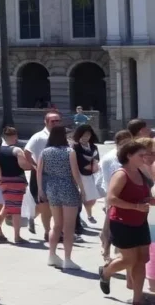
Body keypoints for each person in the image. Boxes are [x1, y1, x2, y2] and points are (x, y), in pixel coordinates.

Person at [99, 140, 153, 305]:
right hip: (122, 222)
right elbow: (111, 198)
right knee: (129, 260)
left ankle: (137, 299)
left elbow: (141, 195)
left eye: (145, 155)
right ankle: (106, 272)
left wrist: (149, 200)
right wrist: (135, 206)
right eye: (141, 155)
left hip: (140, 222)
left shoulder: (140, 172)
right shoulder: (121, 174)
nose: (144, 158)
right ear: (129, 155)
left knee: (142, 259)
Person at [37, 124, 84, 269]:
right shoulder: (69, 151)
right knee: (68, 227)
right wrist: (82, 189)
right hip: (68, 187)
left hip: (52, 188)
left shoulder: (45, 152)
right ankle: (68, 259)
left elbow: (39, 172)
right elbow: (75, 173)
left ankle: (52, 255)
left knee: (56, 225)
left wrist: (40, 190)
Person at [98, 130, 135, 261]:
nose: (128, 144)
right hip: (114, 196)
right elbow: (109, 181)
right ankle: (106, 252)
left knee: (117, 225)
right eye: (124, 142)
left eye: (129, 141)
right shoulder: (111, 158)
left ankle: (117, 250)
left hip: (127, 196)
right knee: (110, 225)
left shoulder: (129, 155)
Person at [24, 110, 61, 236]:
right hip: (41, 174)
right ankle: (47, 231)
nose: (55, 123)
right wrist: (34, 166)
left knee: (54, 204)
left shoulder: (61, 137)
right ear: (46, 122)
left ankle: (33, 217)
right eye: (53, 121)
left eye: (58, 121)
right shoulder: (38, 136)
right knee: (44, 203)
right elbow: (27, 152)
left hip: (58, 174)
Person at [0, 127, 30, 244]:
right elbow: (24, 166)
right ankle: (17, 236)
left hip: (2, 181)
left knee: (7, 207)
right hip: (16, 181)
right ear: (14, 136)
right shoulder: (16, 150)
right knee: (16, 210)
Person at [73, 123, 101, 223]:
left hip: (91, 176)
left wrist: (95, 162)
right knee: (80, 197)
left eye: (88, 135)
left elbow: (97, 158)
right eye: (83, 135)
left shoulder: (93, 147)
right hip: (79, 175)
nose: (86, 137)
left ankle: (88, 214)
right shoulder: (75, 147)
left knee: (92, 198)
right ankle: (80, 217)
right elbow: (76, 162)